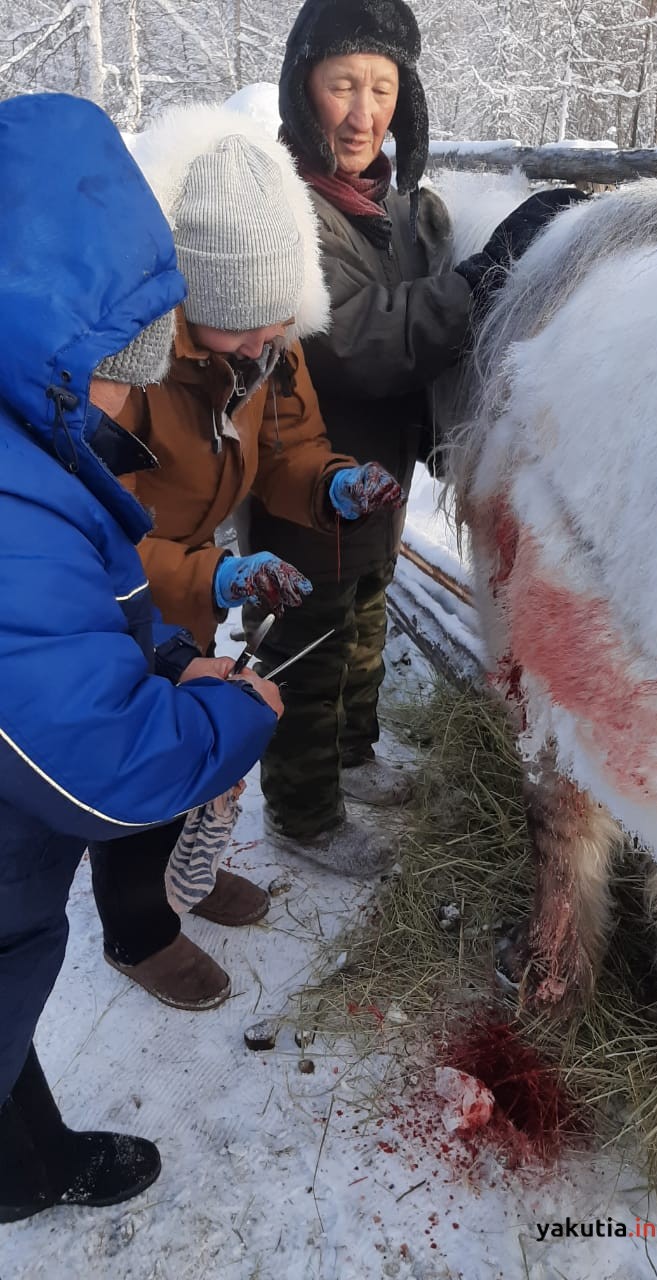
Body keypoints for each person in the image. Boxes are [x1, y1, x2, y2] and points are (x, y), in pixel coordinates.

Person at [0, 93, 284, 1223]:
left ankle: (27, 1162)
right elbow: (100, 763)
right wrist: (233, 716)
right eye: (121, 368)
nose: (129, 399)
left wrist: (169, 660)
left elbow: (88, 607)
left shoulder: (37, 456)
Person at [246, 0, 586, 875]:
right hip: (300, 480)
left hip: (370, 476)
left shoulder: (378, 201)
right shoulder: (286, 212)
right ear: (301, 88)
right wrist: (482, 276)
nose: (363, 113)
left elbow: (407, 263)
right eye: (341, 84)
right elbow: (359, 342)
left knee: (362, 626)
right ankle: (303, 814)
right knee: (308, 650)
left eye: (382, 86)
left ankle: (351, 759)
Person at [87, 104, 406, 1011]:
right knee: (141, 757)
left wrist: (332, 483)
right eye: (244, 329)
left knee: (202, 741)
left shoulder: (267, 342)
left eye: (279, 325)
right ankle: (138, 930)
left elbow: (288, 448)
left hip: (189, 572)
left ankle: (189, 871)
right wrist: (211, 576)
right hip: (123, 589)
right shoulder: (134, 365)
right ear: (194, 300)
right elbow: (97, 533)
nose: (267, 348)